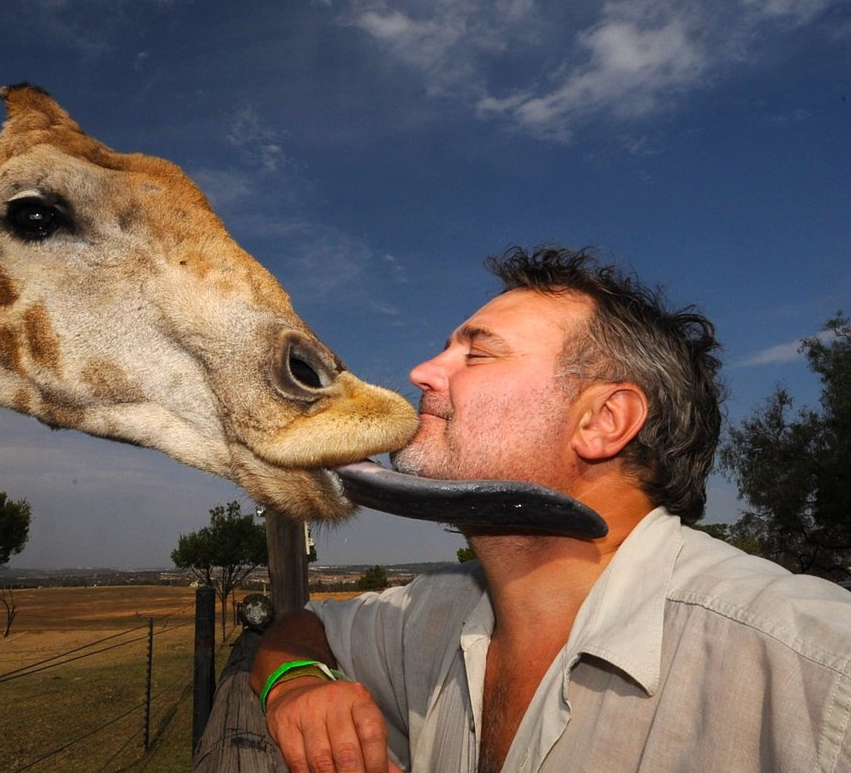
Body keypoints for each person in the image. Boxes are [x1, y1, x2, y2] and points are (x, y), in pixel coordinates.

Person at [251, 246, 851, 773]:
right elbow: (301, 630)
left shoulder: (814, 671)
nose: (421, 373)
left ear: (602, 421)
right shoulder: (431, 614)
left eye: (477, 355)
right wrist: (294, 681)